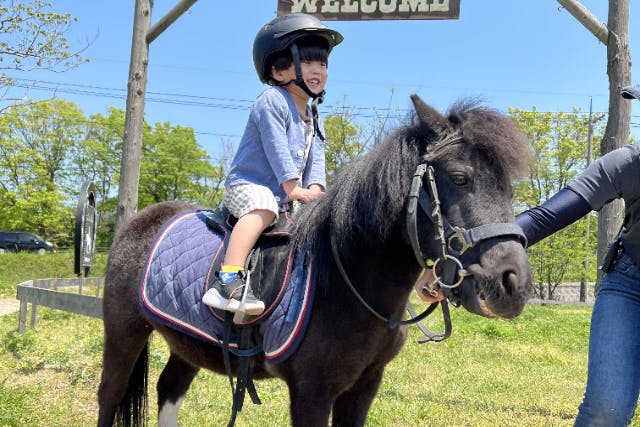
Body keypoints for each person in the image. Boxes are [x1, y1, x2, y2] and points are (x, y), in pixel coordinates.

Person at [416, 83, 640, 426]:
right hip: (629, 284)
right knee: (606, 410)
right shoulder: (628, 163)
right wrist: (459, 256)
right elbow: (544, 217)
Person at [202, 13, 343, 316]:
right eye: (308, 63)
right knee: (263, 208)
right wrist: (294, 189)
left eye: (323, 64)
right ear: (279, 71)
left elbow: (316, 158)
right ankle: (228, 279)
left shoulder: (313, 115)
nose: (318, 69)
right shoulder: (272, 101)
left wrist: (316, 191)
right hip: (250, 186)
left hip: (287, 193)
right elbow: (277, 149)